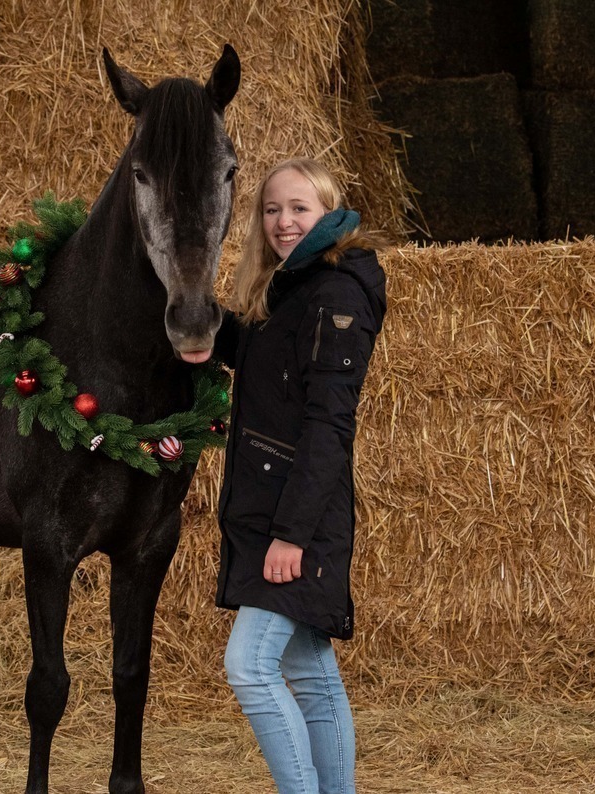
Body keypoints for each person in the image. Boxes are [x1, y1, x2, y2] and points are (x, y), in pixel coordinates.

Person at [213, 158, 387, 794]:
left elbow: (327, 427)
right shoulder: (294, 288)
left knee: (250, 666)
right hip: (274, 508)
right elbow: (273, 367)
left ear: (329, 212)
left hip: (299, 518)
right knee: (310, 672)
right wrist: (213, 333)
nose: (284, 222)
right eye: (271, 210)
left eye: (299, 209)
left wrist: (291, 534)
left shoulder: (337, 293)